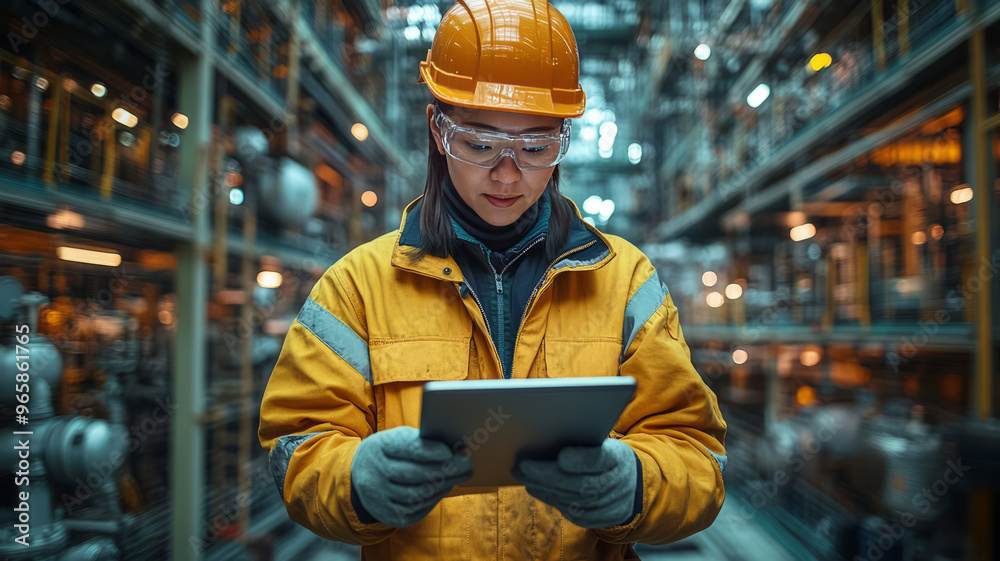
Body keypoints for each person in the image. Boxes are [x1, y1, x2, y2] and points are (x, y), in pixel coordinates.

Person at [258, 1, 727, 559]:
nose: (507, 175)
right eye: (479, 145)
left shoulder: (624, 280)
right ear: (438, 130)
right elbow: (298, 445)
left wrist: (639, 486)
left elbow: (696, 452)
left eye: (535, 148)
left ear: (562, 140)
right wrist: (355, 483)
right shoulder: (356, 287)